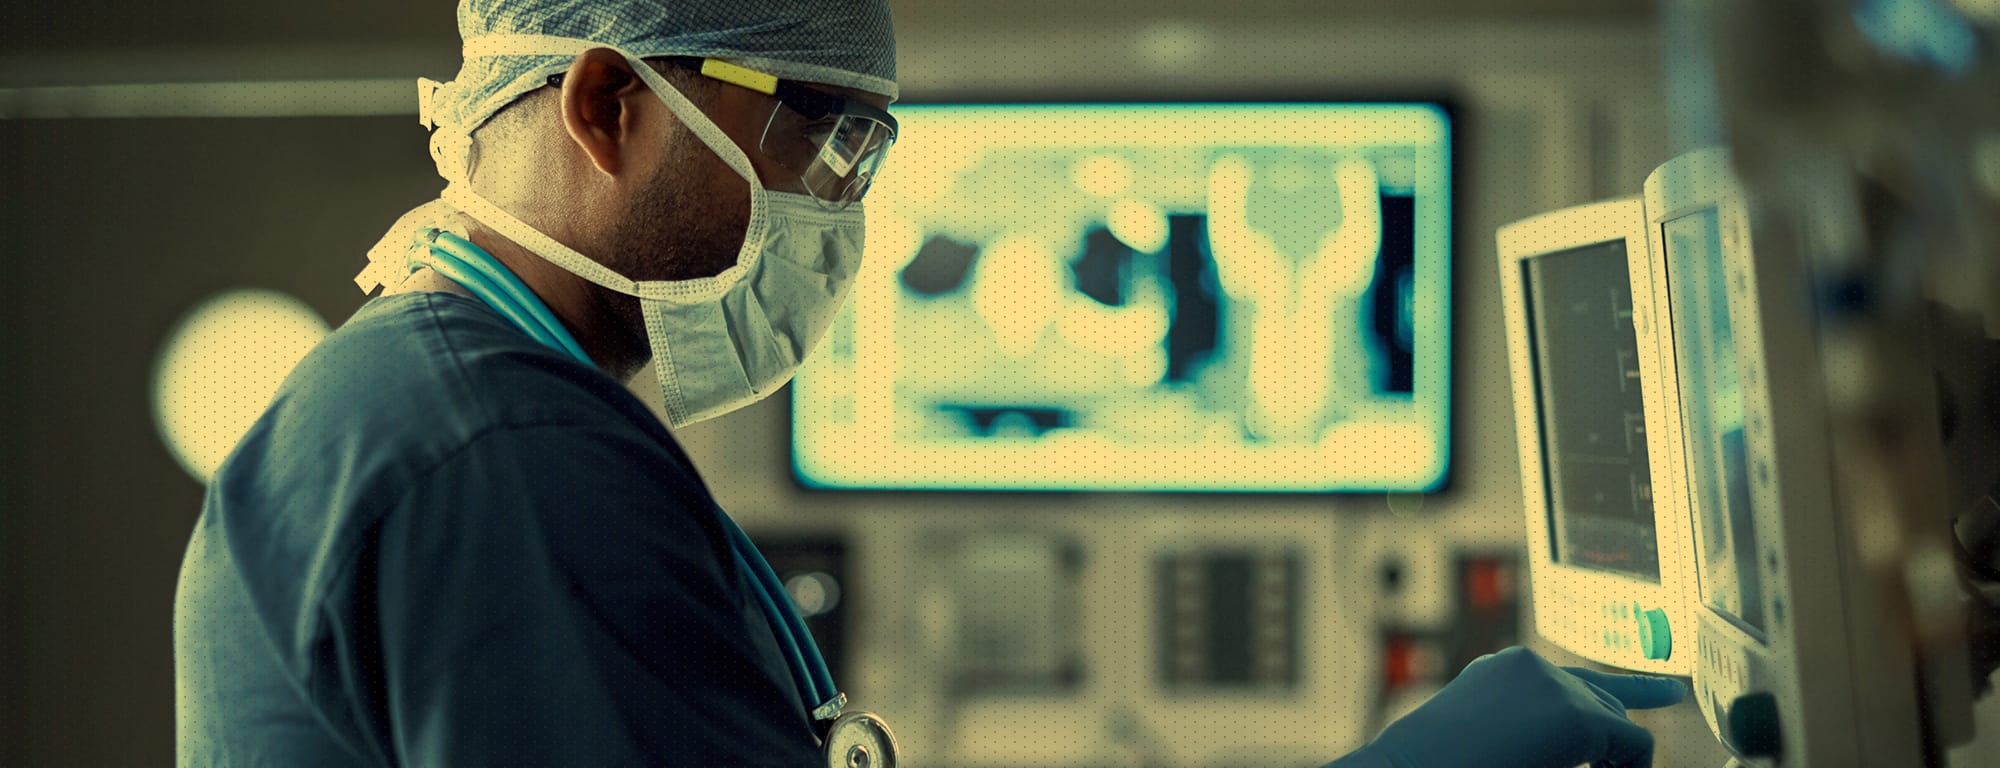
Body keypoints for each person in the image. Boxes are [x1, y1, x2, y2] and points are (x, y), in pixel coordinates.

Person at [172, 1, 1685, 765]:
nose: (845, 207)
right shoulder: (503, 459)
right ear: (607, 101)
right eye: (823, 139)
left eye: (870, 158)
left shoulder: (433, 408)